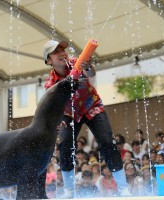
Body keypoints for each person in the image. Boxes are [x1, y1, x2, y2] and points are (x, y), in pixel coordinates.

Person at [43, 40, 130, 198]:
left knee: (106, 142)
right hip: (69, 113)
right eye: (56, 52)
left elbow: (91, 73)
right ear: (49, 60)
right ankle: (70, 191)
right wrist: (56, 120)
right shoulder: (51, 84)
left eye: (62, 49)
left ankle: (124, 188)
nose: (62, 53)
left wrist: (88, 65)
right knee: (64, 145)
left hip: (92, 106)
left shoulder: (76, 62)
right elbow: (54, 105)